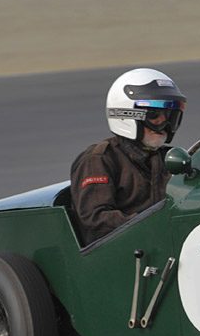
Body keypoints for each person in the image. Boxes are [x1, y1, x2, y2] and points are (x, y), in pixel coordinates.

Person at [70, 68, 186, 246]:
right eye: (154, 115)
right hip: (123, 251)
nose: (164, 122)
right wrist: (151, 225)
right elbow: (95, 217)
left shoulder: (171, 158)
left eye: (169, 115)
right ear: (128, 115)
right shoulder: (100, 159)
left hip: (168, 244)